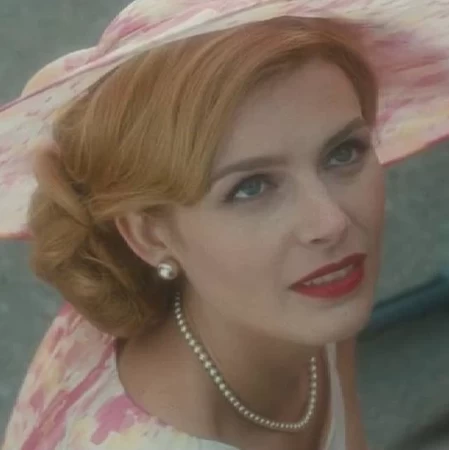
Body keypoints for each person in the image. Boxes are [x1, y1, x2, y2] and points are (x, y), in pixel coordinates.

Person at [1, 1, 448, 449]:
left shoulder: (301, 298)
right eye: (251, 188)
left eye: (343, 152)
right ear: (149, 235)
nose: (330, 222)